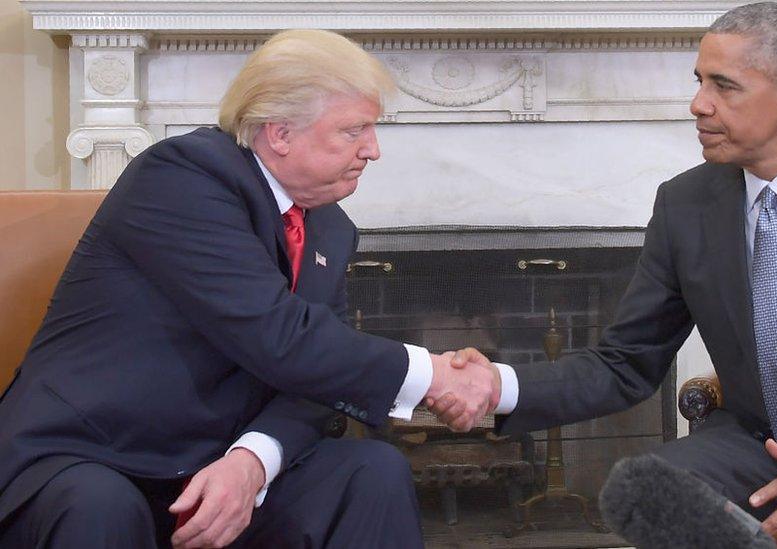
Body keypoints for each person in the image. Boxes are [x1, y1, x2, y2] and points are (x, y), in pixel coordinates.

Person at [435, 2, 777, 543]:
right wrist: (496, 385)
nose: (698, 104)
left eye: (724, 86)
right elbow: (626, 362)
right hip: (766, 447)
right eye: (699, 82)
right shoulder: (685, 206)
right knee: (643, 487)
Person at [0, 29, 503, 548]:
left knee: (369, 472)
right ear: (279, 133)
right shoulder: (182, 177)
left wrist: (252, 462)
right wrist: (432, 375)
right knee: (98, 504)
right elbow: (278, 334)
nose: (372, 150)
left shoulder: (330, 227)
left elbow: (318, 375)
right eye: (354, 130)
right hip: (92, 450)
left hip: (214, 458)